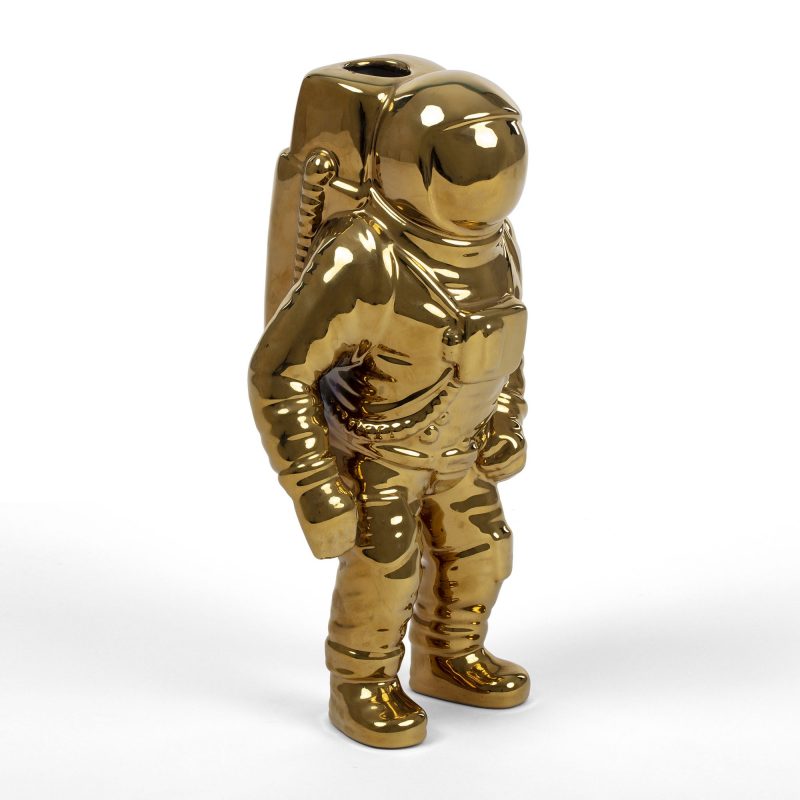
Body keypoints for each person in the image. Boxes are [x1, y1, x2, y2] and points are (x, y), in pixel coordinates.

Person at [249, 69, 529, 748]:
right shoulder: (365, 255)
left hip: (462, 449)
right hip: (380, 453)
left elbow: (508, 345)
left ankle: (450, 654)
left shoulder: (496, 244)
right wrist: (316, 488)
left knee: (483, 551)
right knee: (384, 569)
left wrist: (506, 418)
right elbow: (277, 374)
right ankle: (361, 682)